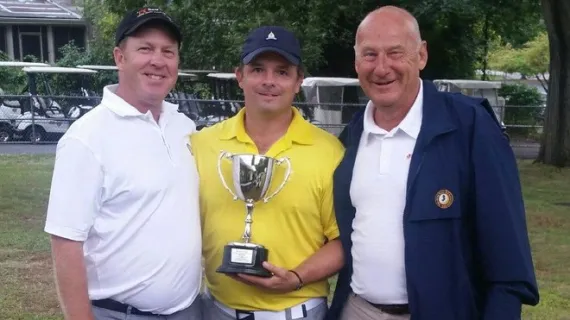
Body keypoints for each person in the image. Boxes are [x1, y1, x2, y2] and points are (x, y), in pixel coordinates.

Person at [326, 6, 539, 320]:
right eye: (370, 55)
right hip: (358, 310)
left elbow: (508, 259)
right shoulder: (352, 137)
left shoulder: (470, 127)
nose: (381, 68)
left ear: (421, 55)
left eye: (395, 53)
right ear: (356, 61)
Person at [44, 7, 202, 320]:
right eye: (145, 48)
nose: (158, 60)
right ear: (120, 57)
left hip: (188, 309)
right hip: (120, 314)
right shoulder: (87, 138)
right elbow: (65, 244)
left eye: (167, 51)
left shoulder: (185, 127)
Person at [190, 26, 344, 320]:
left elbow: (342, 241)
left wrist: (296, 277)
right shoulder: (203, 144)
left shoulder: (329, 151)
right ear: (240, 76)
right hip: (216, 310)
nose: (269, 81)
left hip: (296, 312)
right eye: (258, 69)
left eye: (282, 72)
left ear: (299, 81)